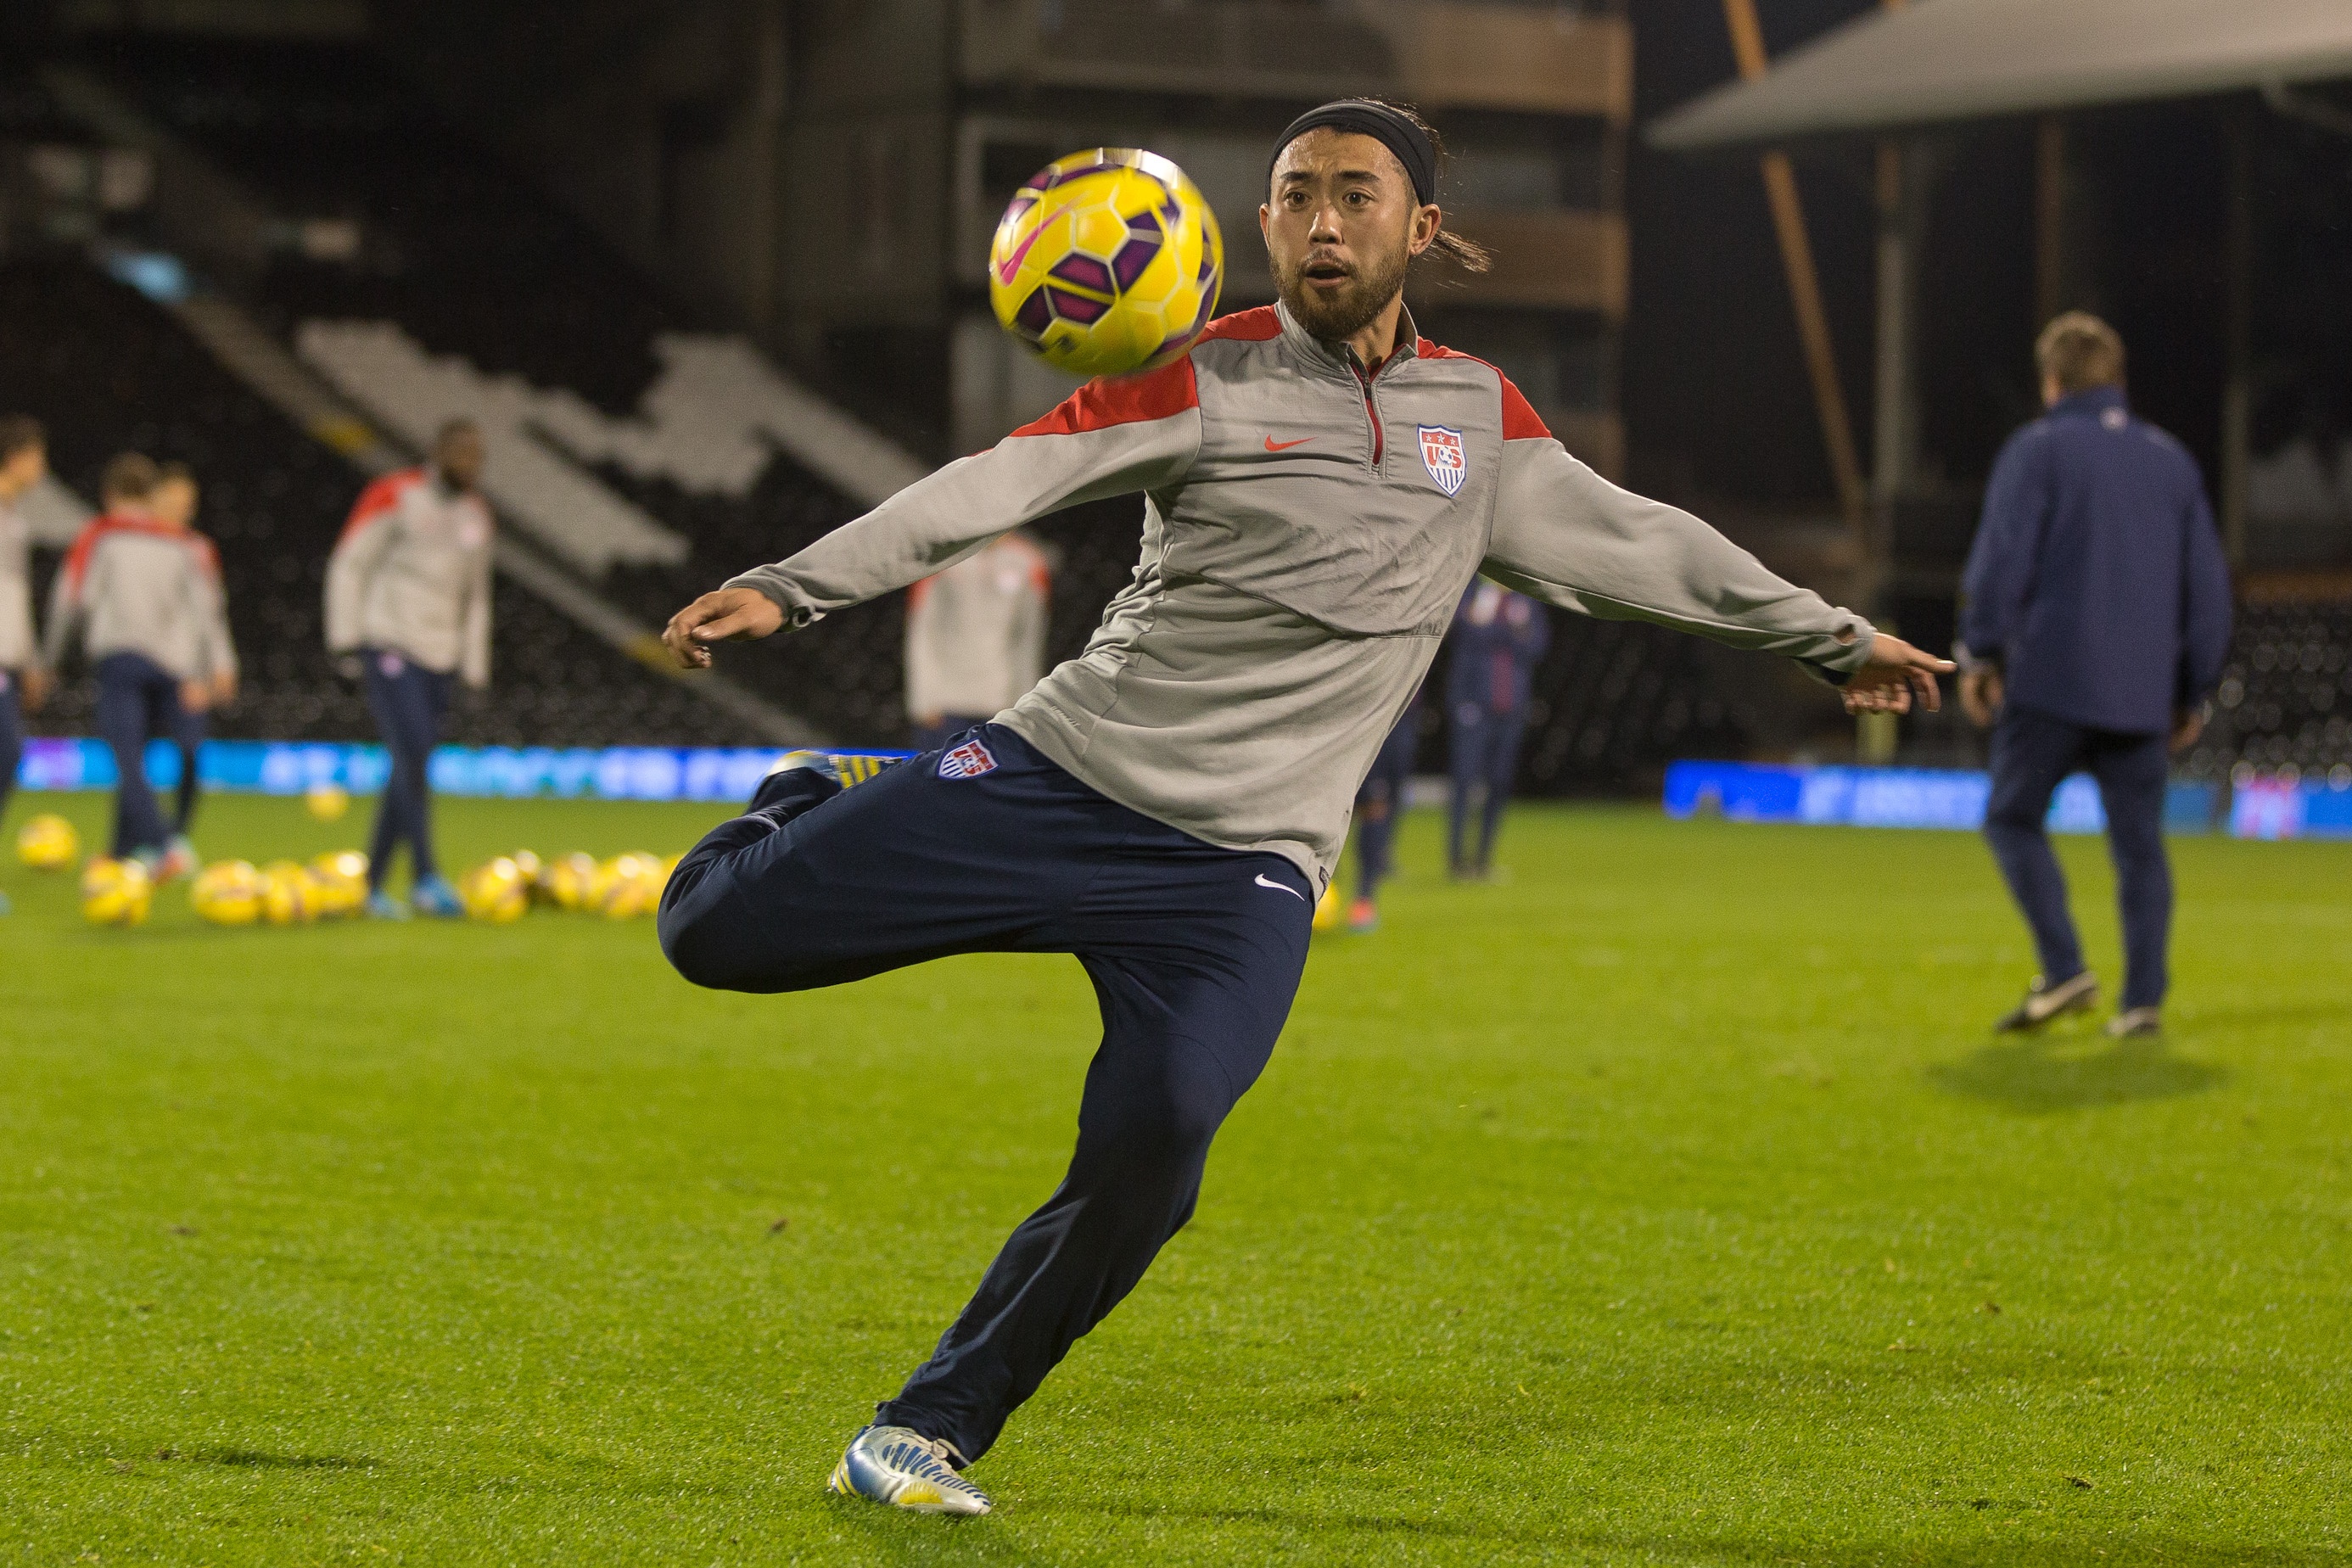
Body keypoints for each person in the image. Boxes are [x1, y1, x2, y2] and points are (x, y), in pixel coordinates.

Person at [656, 98, 1951, 1515]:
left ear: (1422, 227)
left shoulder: (1478, 419)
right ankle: (804, 796)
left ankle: (927, 1425)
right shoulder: (1200, 377)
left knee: (1162, 1139)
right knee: (713, 935)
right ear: (1262, 224)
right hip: (1071, 776)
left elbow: (1645, 543)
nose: (1322, 221)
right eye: (1294, 195)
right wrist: (791, 585)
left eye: (1354, 194)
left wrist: (1830, 637)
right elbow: (998, 481)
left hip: (1242, 875)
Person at [1957, 312, 2232, 1039]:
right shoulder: (2171, 461)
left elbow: (2002, 561)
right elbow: (2208, 592)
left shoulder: (2038, 449)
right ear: (2118, 381)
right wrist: (2192, 689)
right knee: (2140, 848)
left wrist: (1980, 653)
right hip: (2142, 695)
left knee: (2011, 819)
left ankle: (2065, 968)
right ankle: (2141, 1003)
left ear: (2052, 382)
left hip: (2050, 681)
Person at [325, 422, 493, 920]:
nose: (470, 464)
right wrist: (344, 642)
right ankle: (425, 876)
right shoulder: (393, 495)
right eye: (462, 453)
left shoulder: (476, 516)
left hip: (441, 655)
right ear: (437, 452)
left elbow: (477, 597)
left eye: (476, 456)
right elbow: (350, 564)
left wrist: (475, 669)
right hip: (390, 642)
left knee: (410, 763)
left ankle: (372, 884)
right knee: (412, 756)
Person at [43, 452, 235, 878]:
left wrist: (51, 657)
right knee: (167, 752)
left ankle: (165, 845)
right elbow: (206, 611)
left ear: (108, 494)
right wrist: (216, 665)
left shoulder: (101, 534)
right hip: (174, 668)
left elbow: (74, 598)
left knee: (129, 756)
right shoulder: (183, 544)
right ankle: (122, 850)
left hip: (124, 660)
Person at [903, 529, 1050, 750]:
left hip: (1001, 703)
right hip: (945, 703)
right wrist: (923, 700)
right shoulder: (940, 558)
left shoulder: (1029, 562)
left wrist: (1025, 706)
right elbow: (923, 631)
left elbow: (1029, 642)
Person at [146, 462, 232, 839]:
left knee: (191, 750)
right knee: (134, 756)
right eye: (173, 500)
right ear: (154, 500)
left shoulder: (199, 550)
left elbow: (212, 615)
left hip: (186, 671)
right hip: (144, 665)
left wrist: (220, 665)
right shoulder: (136, 546)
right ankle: (135, 838)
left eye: (187, 503)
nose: (181, 509)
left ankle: (176, 835)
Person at [1445, 579, 1549, 879]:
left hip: (1510, 709)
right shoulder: (1472, 593)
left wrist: (1492, 627)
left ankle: (1483, 860)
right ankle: (1457, 861)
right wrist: (1509, 629)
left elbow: (1537, 646)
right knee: (1464, 783)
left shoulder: (1525, 599)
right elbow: (1460, 633)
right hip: (1473, 707)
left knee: (1499, 784)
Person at [0, 416, 54, 916]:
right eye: (38, 456)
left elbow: (15, 598)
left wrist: (30, 660)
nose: (42, 467)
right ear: (16, 456)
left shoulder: (14, 520)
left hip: (7, 662)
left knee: (9, 756)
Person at [1345, 695, 1420, 932]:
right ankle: (1317, 894)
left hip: (1396, 723)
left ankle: (1363, 900)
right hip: (1361, 720)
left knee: (1378, 808)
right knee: (1362, 809)